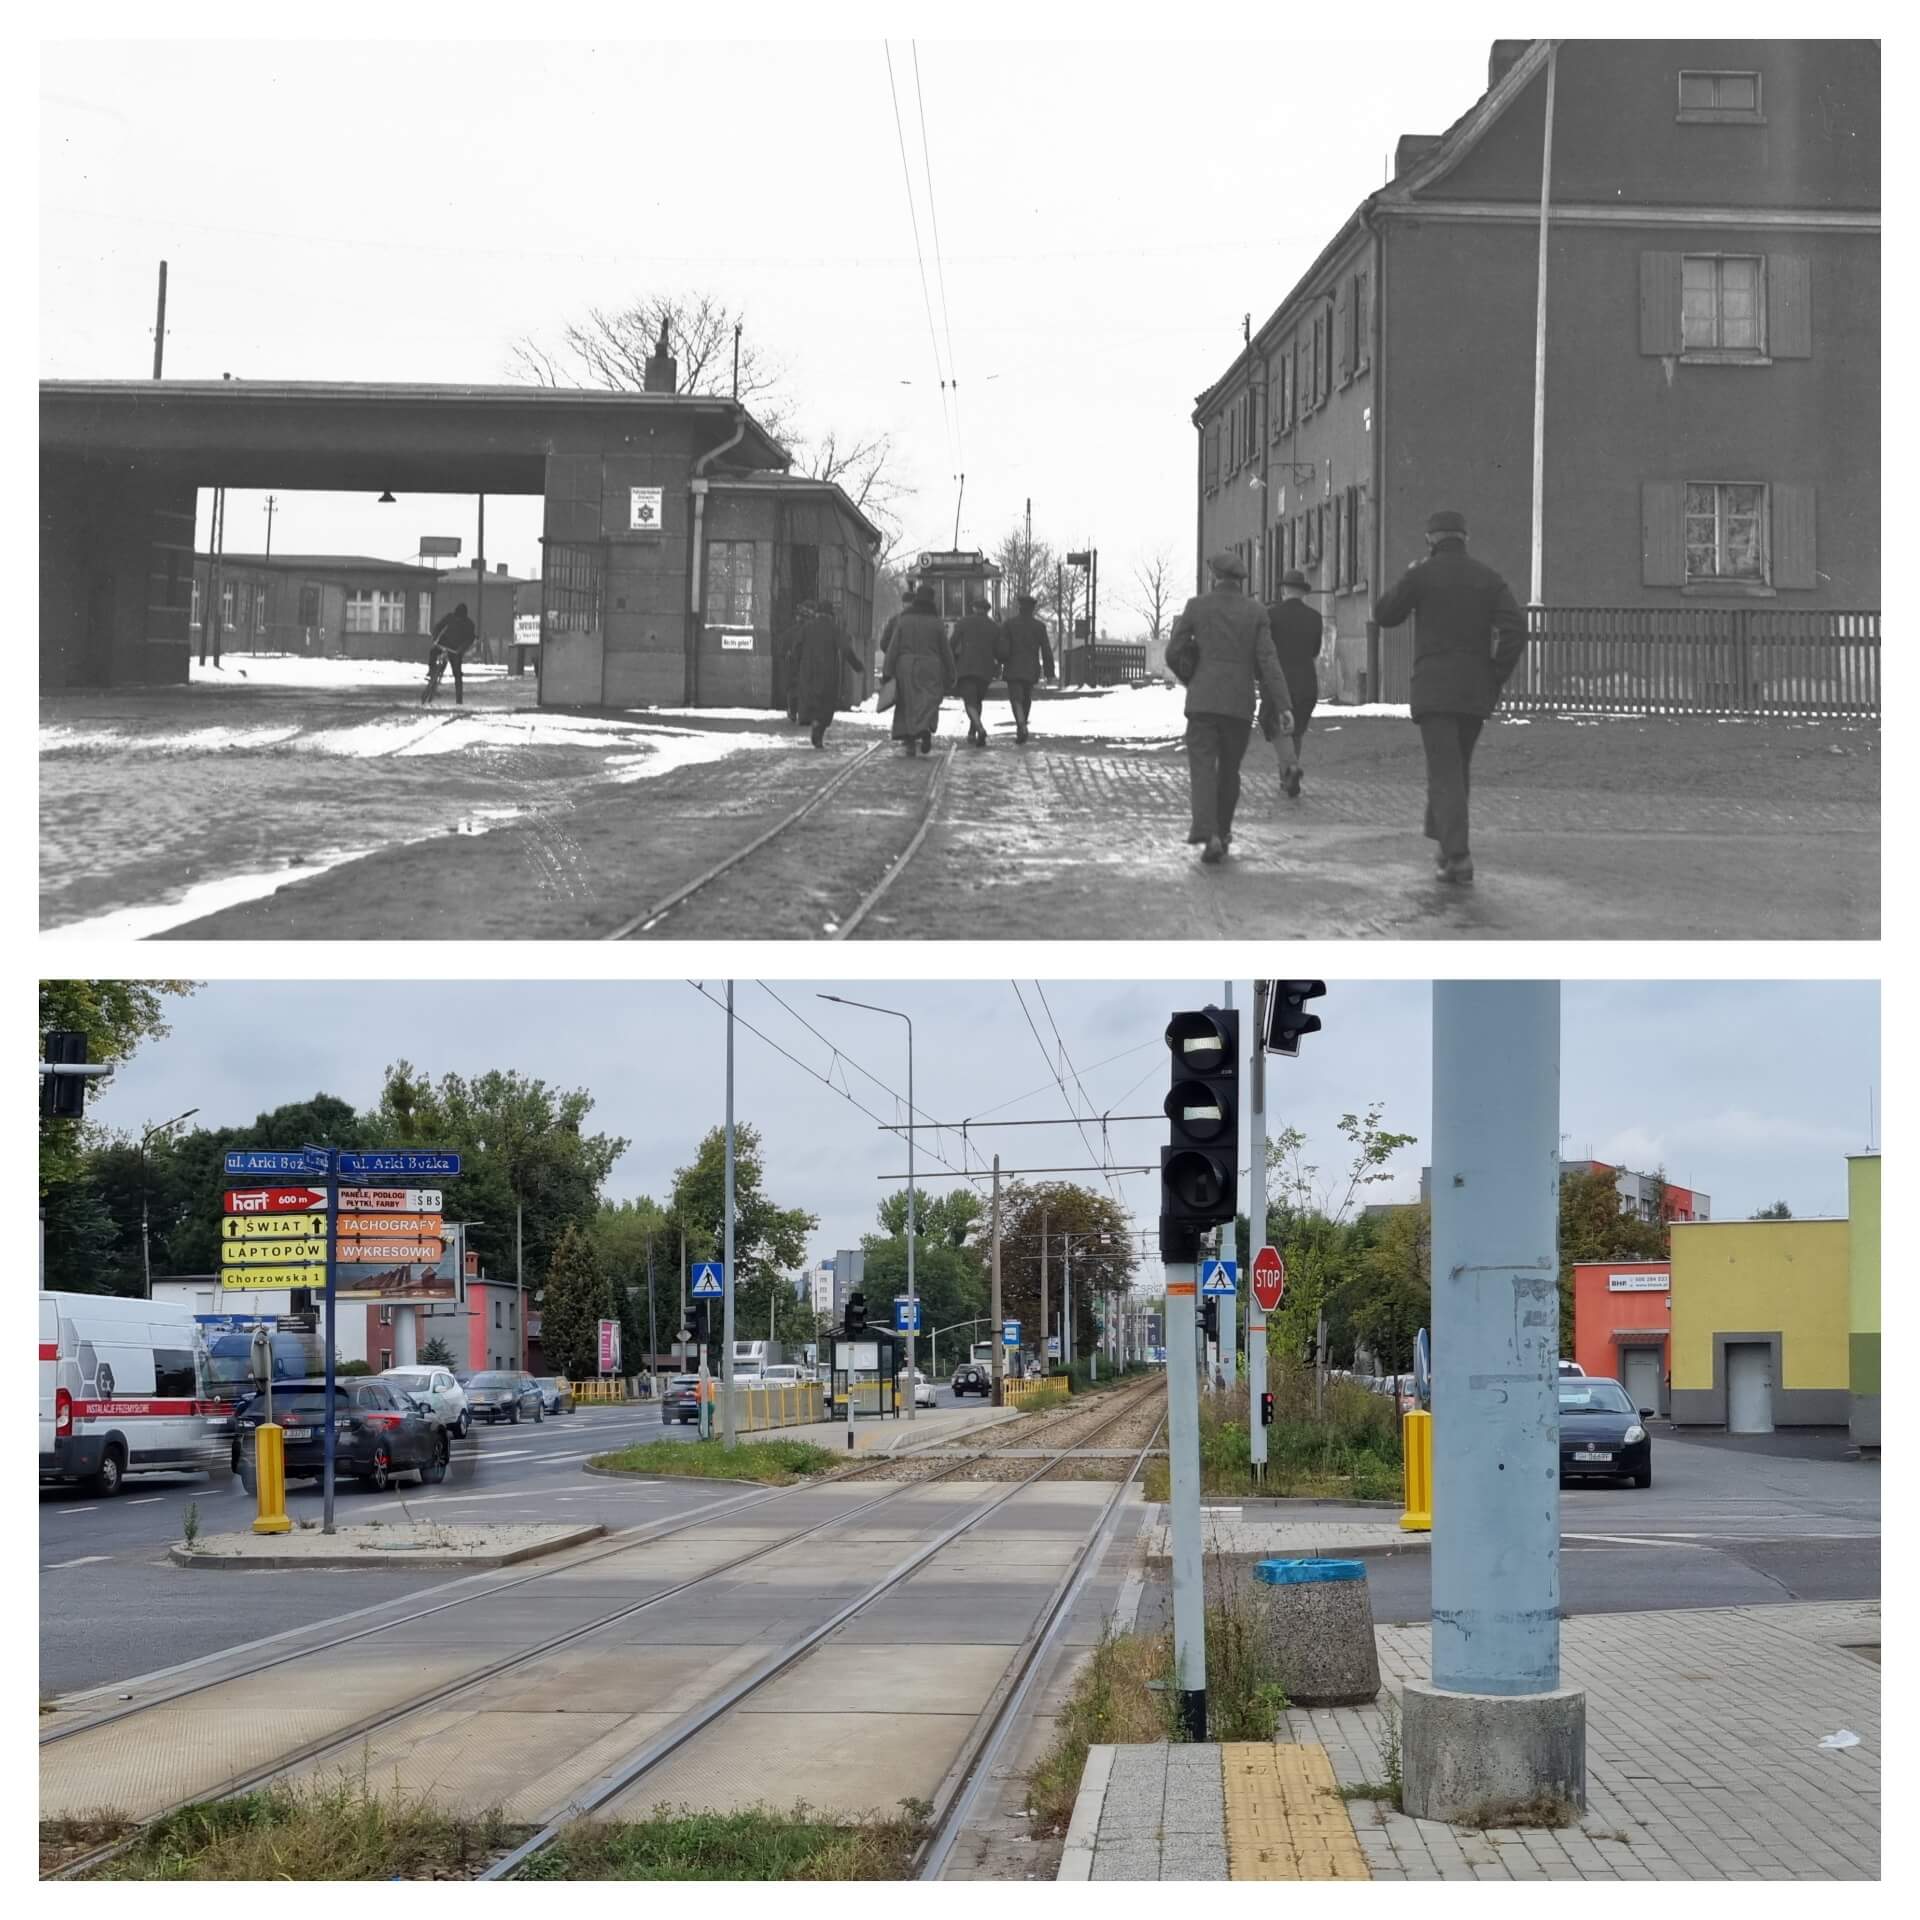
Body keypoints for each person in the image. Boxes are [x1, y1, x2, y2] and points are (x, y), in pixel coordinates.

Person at [1371, 508, 1526, 885]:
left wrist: (1409, 577)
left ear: (1430, 540)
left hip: (1434, 689)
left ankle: (1457, 855)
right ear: (1465, 538)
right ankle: (1444, 843)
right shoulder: (1487, 579)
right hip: (1475, 691)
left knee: (1444, 771)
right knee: (1457, 768)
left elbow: (1384, 614)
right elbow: (1516, 629)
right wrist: (1495, 674)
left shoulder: (1422, 576)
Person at [1166, 552, 1290, 864]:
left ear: (1214, 577)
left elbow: (1173, 651)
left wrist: (1190, 676)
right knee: (1229, 770)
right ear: (1240, 580)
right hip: (1238, 704)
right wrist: (1283, 705)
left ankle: (1209, 834)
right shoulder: (1256, 612)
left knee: (1203, 767)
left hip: (1203, 703)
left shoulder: (1197, 607)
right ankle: (1222, 831)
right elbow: (1269, 661)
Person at [1264, 569, 1323, 799]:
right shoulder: (1315, 618)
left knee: (1277, 726)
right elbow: (1315, 650)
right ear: (1303, 592)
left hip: (1279, 681)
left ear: (1283, 590)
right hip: (1307, 682)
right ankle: (1286, 780)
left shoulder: (1272, 615)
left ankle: (1290, 769)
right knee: (1296, 730)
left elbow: (1265, 649)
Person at [880, 580, 954, 756]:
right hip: (931, 667)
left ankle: (911, 738)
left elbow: (893, 648)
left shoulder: (904, 620)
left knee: (907, 703)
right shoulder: (937, 623)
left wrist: (887, 672)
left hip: (905, 667)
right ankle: (925, 730)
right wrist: (951, 673)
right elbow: (946, 651)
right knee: (929, 700)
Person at [793, 597, 866, 749]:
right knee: (826, 705)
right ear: (830, 614)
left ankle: (814, 723)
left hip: (808, 672)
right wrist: (857, 666)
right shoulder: (834, 629)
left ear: (817, 613)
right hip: (827, 674)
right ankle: (819, 730)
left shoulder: (807, 628)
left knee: (810, 700)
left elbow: (796, 649)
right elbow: (846, 649)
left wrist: (796, 667)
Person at [1000, 591, 1055, 742]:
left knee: (1016, 699)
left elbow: (1003, 648)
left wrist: (1001, 662)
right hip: (1031, 669)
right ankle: (1022, 726)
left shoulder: (1009, 625)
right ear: (1032, 609)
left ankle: (1021, 725)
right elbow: (1046, 650)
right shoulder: (1039, 627)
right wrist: (1050, 673)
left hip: (1013, 668)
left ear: (1020, 608)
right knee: (1026, 699)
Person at [951, 594, 1003, 746]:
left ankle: (979, 728)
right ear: (987, 610)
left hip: (966, 668)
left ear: (974, 608)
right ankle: (971, 732)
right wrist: (998, 664)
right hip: (985, 669)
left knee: (969, 701)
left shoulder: (963, 623)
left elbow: (952, 643)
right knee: (978, 701)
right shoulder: (994, 626)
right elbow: (998, 650)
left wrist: (951, 660)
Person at [425, 600, 477, 706]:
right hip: (443, 643)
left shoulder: (469, 624)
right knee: (433, 652)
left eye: (459, 618)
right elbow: (439, 626)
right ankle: (431, 670)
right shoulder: (450, 617)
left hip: (456, 649)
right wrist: (435, 638)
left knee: (457, 673)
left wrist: (461, 650)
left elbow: (469, 639)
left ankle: (459, 699)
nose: (457, 619)